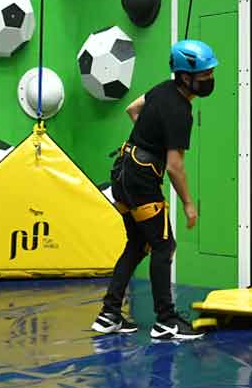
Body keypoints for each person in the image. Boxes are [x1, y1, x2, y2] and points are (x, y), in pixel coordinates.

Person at [92, 39, 217, 341]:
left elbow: (132, 109)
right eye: (204, 75)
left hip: (123, 169)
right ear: (186, 77)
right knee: (164, 247)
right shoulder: (181, 112)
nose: (209, 80)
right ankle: (166, 321)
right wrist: (188, 203)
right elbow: (175, 166)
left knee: (137, 244)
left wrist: (148, 139)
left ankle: (109, 314)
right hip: (141, 179)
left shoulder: (162, 88)